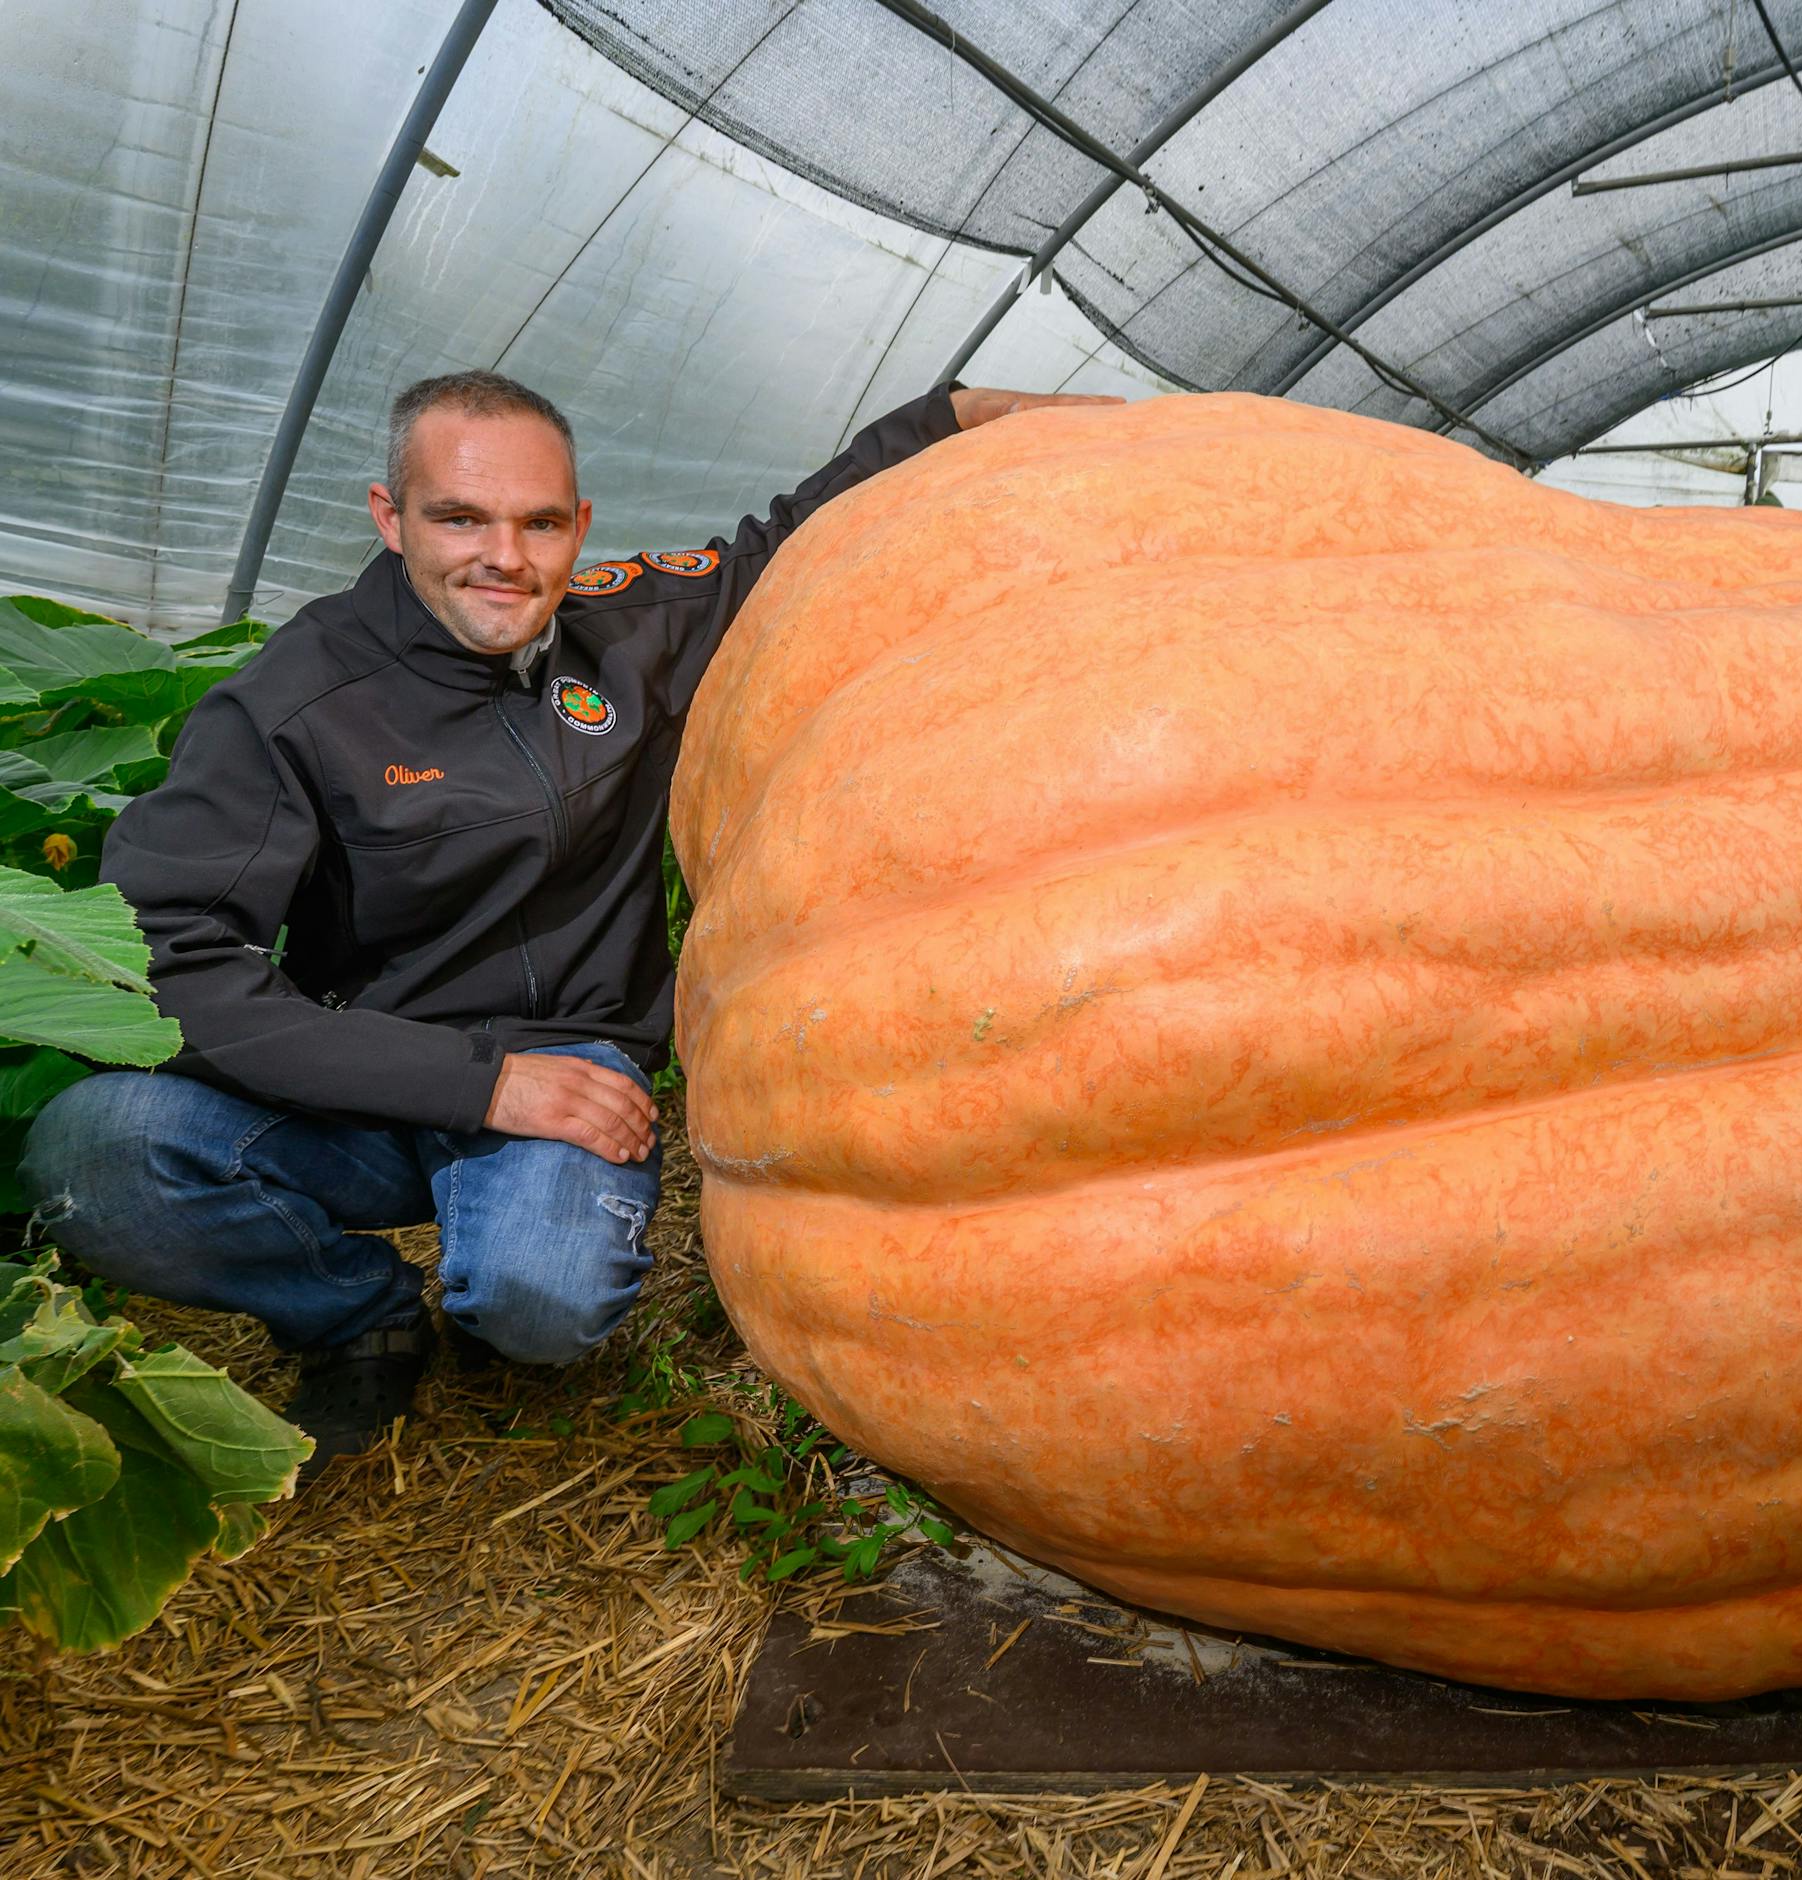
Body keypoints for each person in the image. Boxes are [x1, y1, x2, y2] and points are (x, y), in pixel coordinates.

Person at [21, 370, 1118, 1477]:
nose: (505, 556)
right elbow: (165, 959)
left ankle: (491, 1288)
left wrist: (951, 416)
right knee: (93, 1149)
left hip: (571, 1062)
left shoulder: (625, 629)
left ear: (579, 526)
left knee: (542, 1308)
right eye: (459, 517)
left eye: (539, 521)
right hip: (357, 1078)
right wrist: (474, 1084)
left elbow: (780, 543)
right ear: (389, 517)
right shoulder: (290, 705)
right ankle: (355, 1310)